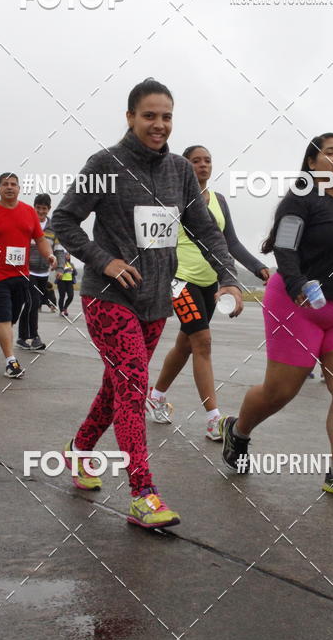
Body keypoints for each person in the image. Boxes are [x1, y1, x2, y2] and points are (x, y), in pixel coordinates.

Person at [52, 78, 243, 529]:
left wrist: (230, 279)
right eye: (150, 116)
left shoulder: (179, 170)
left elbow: (206, 229)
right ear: (130, 117)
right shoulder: (106, 163)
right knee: (134, 386)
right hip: (107, 296)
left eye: (167, 117)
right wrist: (106, 260)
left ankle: (79, 450)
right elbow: (64, 219)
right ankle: (142, 493)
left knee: (117, 387)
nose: (159, 125)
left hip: (157, 301)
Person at [220, 133, 333, 499]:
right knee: (281, 391)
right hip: (299, 306)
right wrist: (298, 284)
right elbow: (286, 246)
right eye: (330, 153)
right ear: (311, 163)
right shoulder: (300, 199)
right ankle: (238, 430)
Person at [147, 145, 269, 439]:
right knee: (202, 342)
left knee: (186, 344)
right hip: (179, 280)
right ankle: (215, 419)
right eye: (195, 161)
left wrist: (258, 268)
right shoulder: (170, 200)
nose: (202, 165)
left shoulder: (219, 201)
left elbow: (231, 243)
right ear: (184, 167)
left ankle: (156, 395)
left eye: (207, 160)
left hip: (209, 283)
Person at [0, 173, 56, 378]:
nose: (9, 187)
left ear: (19, 188)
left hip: (19, 275)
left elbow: (40, 239)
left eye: (13, 184)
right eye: (5, 184)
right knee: (4, 319)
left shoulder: (28, 212)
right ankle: (11, 363)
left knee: (7, 321)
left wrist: (49, 254)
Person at [16, 193, 64, 351]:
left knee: (29, 303)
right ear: (34, 207)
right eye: (38, 208)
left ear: (49, 209)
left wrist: (60, 268)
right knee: (33, 302)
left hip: (43, 273)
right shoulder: (26, 223)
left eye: (44, 209)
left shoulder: (54, 228)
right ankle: (34, 337)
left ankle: (22, 337)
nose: (41, 211)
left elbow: (59, 250)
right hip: (27, 271)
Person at [56, 251, 77, 317]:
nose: (68, 256)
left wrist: (73, 270)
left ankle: (65, 308)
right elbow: (58, 271)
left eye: (69, 255)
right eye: (66, 255)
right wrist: (65, 270)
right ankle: (61, 311)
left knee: (71, 296)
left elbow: (75, 273)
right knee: (62, 296)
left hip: (69, 282)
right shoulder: (60, 264)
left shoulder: (71, 264)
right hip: (61, 281)